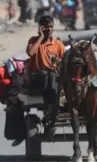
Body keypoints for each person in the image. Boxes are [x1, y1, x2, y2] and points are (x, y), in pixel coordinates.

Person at [11, 15, 65, 146]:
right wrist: (40, 38)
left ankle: (51, 112)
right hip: (37, 78)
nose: (48, 29)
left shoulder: (58, 45)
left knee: (54, 75)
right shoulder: (33, 41)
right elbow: (30, 53)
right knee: (46, 73)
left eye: (51, 26)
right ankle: (51, 106)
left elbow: (64, 63)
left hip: (54, 80)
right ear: (40, 28)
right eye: (45, 27)